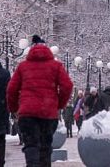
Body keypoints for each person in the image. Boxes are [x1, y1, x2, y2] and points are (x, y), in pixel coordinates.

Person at [7, 35, 73, 167]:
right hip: (48, 113)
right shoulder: (56, 66)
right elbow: (67, 86)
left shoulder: (23, 66)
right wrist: (59, 104)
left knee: (31, 146)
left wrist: (14, 108)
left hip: (27, 114)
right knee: (45, 147)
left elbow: (11, 89)